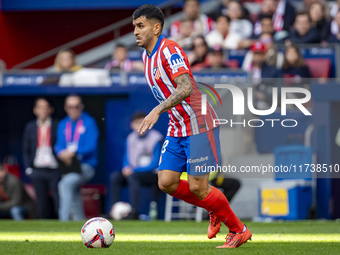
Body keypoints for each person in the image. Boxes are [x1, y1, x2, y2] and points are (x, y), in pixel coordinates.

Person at [132, 4, 251, 248]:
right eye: (134, 26)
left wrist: (157, 109)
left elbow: (185, 87)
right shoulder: (146, 56)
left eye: (140, 26)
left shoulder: (170, 50)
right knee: (166, 182)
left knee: (199, 186)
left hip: (198, 122)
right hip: (177, 127)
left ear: (156, 28)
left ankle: (239, 230)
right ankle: (214, 206)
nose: (135, 31)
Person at [110, 112, 163, 219]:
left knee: (133, 177)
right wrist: (126, 167)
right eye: (137, 123)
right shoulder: (130, 138)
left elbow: (155, 163)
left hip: (152, 175)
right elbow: (126, 158)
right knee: (115, 177)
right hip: (132, 173)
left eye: (143, 122)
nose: (140, 125)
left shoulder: (156, 138)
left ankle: (134, 212)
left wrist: (133, 170)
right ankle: (113, 211)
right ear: (131, 125)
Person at [54, 95, 99, 221]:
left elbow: (91, 146)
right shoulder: (63, 123)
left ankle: (63, 220)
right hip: (68, 166)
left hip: (85, 166)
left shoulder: (89, 122)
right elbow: (58, 145)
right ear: (66, 108)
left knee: (65, 184)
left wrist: (73, 152)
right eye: (70, 107)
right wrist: (62, 153)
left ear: (81, 107)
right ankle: (79, 221)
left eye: (76, 106)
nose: (73, 109)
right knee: (73, 192)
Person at [23, 97, 60, 219]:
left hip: (54, 168)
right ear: (35, 110)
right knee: (41, 202)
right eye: (40, 107)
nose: (43, 110)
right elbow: (26, 149)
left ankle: (61, 225)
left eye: (45, 107)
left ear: (50, 110)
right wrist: (28, 168)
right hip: (37, 169)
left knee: (58, 199)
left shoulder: (57, 125)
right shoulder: (30, 126)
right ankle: (43, 228)